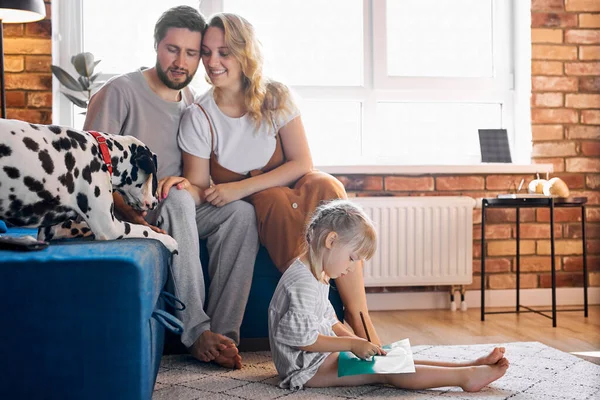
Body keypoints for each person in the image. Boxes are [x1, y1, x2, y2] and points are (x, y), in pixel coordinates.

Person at [177, 12, 382, 345]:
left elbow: (302, 161)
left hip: (290, 187)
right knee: (272, 200)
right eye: (206, 52)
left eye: (224, 52)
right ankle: (323, 318)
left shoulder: (274, 96)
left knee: (326, 185)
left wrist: (239, 186)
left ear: (244, 54)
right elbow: (199, 184)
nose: (212, 61)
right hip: (261, 205)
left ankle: (362, 320)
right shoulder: (199, 116)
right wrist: (183, 187)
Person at [83, 6, 259, 369]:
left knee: (241, 214)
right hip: (131, 210)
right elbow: (89, 167)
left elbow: (195, 175)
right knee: (177, 199)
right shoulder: (119, 92)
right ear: (156, 46)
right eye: (172, 49)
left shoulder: (193, 103)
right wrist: (126, 207)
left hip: (177, 204)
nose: (181, 61)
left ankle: (224, 335)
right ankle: (196, 332)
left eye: (192, 53)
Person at [268, 199, 510, 391]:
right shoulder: (303, 284)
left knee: (392, 357)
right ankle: (465, 378)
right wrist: (352, 343)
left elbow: (329, 321)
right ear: (331, 240)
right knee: (387, 369)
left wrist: (358, 342)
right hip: (307, 369)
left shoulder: (316, 272)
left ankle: (468, 366)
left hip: (319, 358)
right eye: (352, 258)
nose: (352, 268)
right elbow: (305, 340)